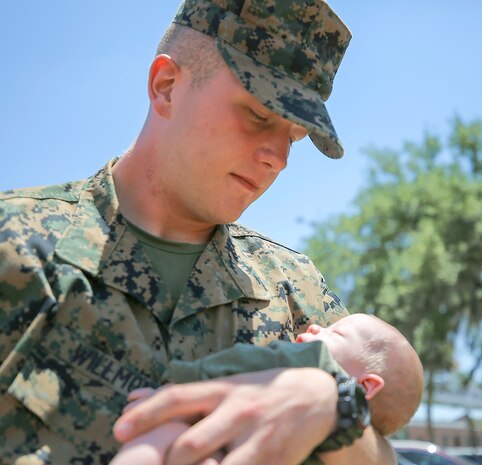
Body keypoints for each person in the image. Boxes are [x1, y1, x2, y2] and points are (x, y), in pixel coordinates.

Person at [0, 0, 398, 464]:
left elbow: (387, 453)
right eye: (258, 115)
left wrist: (333, 412)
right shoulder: (15, 242)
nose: (278, 158)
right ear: (166, 87)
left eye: (292, 137)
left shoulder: (296, 291)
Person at [110, 313, 424, 465]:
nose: (314, 326)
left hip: (206, 438)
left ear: (366, 386)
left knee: (160, 437)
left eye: (335, 332)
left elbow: (239, 364)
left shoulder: (312, 361)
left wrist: (172, 389)